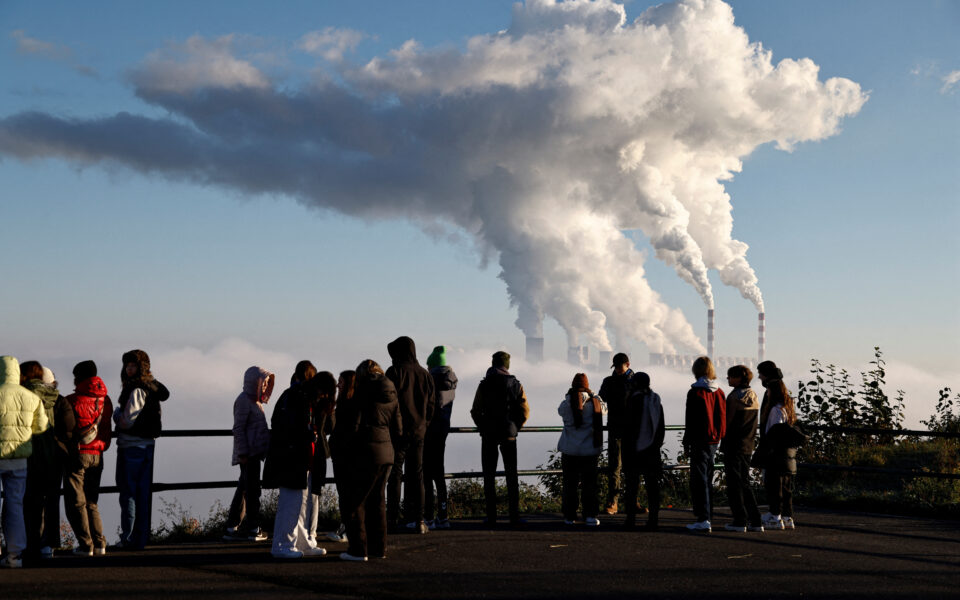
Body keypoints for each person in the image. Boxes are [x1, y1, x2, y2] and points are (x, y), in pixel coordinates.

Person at [263, 370, 335, 559]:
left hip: (301, 458)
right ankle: (282, 544)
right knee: (292, 502)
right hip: (293, 458)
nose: (322, 397)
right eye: (322, 393)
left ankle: (300, 542)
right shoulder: (297, 398)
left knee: (301, 502)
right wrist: (307, 434)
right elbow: (289, 428)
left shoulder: (297, 396)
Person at [337, 360, 401, 561]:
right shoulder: (391, 391)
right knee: (378, 502)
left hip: (365, 452)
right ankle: (378, 548)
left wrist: (344, 447)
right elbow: (398, 428)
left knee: (354, 502)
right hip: (387, 453)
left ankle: (357, 550)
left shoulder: (362, 391)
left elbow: (353, 425)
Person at [113, 349, 170, 550]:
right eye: (127, 366)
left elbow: (128, 420)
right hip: (147, 445)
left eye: (132, 366)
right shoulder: (151, 387)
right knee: (143, 493)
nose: (128, 369)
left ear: (141, 368)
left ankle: (128, 538)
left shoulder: (137, 389)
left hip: (132, 446)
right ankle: (141, 537)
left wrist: (117, 415)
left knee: (128, 492)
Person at [57, 360, 113, 556]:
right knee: (92, 501)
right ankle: (100, 544)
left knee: (76, 502)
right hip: (98, 454)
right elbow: (106, 429)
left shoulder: (71, 400)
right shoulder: (106, 400)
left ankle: (85, 545)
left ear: (78, 377)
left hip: (78, 454)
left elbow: (66, 429)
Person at [470, 351, 529, 527]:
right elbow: (525, 410)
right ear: (507, 365)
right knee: (512, 475)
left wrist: (482, 426)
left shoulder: (484, 384)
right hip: (509, 434)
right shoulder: (516, 384)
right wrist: (515, 427)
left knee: (489, 476)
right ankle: (514, 516)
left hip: (489, 434)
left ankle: (491, 516)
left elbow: (475, 410)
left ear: (493, 363)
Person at [0, 356, 48, 568]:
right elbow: (41, 427)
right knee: (15, 505)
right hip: (19, 458)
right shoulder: (30, 397)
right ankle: (14, 555)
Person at [385, 336, 435, 534]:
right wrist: (424, 424)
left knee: (395, 475)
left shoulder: (394, 372)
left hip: (397, 433)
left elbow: (388, 402)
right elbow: (431, 406)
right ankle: (419, 520)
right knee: (418, 476)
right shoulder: (425, 374)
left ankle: (392, 519)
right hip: (419, 433)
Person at [224, 366, 275, 542]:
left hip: (252, 453)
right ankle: (253, 528)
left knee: (245, 489)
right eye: (263, 382)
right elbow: (238, 428)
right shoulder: (245, 401)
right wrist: (244, 452)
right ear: (255, 382)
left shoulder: (253, 400)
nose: (265, 385)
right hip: (249, 454)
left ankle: (232, 527)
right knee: (252, 491)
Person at [20, 361, 64, 559]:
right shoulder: (57, 398)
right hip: (53, 453)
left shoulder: (26, 396)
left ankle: (30, 543)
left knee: (29, 501)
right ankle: (49, 545)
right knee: (51, 500)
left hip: (30, 452)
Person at [755, 360, 803, 531]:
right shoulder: (787, 407)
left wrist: (766, 449)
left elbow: (773, 432)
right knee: (786, 486)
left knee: (774, 485)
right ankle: (787, 516)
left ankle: (775, 517)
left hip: (776, 453)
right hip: (788, 453)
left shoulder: (775, 410)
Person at [682, 356, 726, 533]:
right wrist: (720, 435)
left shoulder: (695, 392)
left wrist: (687, 442)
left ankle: (703, 518)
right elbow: (722, 417)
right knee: (708, 477)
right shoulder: (719, 391)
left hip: (699, 440)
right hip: (714, 440)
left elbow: (690, 420)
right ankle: (708, 515)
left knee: (699, 479)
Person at [557, 373, 607, 527]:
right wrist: (594, 395)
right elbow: (605, 409)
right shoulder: (595, 403)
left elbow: (559, 411)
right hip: (589, 451)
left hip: (570, 450)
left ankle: (569, 516)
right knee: (589, 484)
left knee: (569, 484)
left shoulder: (566, 404)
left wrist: (570, 395)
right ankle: (590, 515)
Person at [721, 365, 764, 532]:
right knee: (745, 483)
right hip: (748, 444)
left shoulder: (733, 398)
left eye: (730, 376)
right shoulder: (753, 395)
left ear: (739, 378)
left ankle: (739, 520)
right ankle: (756, 519)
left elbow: (727, 422)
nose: (728, 379)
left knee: (734, 484)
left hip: (733, 444)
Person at [622, 372, 664, 531]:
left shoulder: (634, 401)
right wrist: (656, 445)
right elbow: (661, 427)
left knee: (632, 486)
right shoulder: (656, 401)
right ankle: (653, 519)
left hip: (634, 451)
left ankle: (630, 519)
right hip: (652, 451)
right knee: (653, 486)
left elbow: (628, 428)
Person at [424, 345, 457, 529]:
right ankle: (443, 516)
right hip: (443, 430)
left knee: (427, 476)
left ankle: (428, 516)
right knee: (439, 474)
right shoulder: (450, 380)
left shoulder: (432, 381)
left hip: (430, 431)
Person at [598, 352, 633, 515]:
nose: (618, 370)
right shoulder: (609, 381)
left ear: (627, 364)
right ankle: (613, 501)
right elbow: (600, 399)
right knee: (615, 466)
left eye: (620, 367)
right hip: (616, 428)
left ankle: (633, 501)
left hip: (629, 429)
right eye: (616, 367)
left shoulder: (634, 381)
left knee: (631, 467)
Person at [326, 370, 357, 543]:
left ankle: (346, 528)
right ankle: (349, 527)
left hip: (343, 454)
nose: (338, 385)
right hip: (351, 454)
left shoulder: (344, 406)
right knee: (350, 493)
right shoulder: (358, 405)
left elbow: (331, 427)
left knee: (345, 493)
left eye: (341, 382)